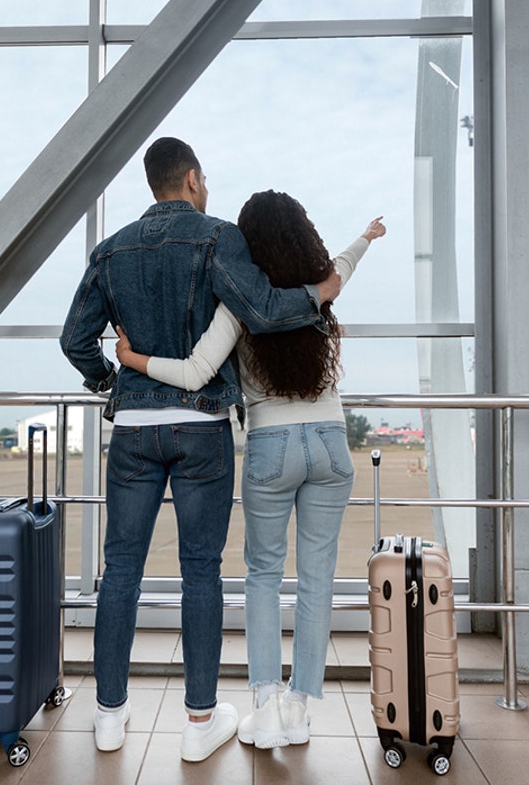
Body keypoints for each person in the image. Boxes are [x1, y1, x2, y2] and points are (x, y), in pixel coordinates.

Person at [59, 139, 342, 763]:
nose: (207, 185)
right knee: (201, 571)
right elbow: (262, 311)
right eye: (204, 177)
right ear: (190, 179)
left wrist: (110, 380)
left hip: (132, 427)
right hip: (201, 425)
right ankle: (199, 721)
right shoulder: (217, 238)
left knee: (121, 569)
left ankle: (109, 716)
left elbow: (74, 339)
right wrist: (321, 291)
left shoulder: (110, 250)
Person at [114, 190, 384, 750]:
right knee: (316, 581)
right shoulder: (319, 294)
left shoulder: (240, 305)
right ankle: (300, 711)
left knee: (263, 575)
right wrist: (366, 236)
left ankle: (264, 707)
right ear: (301, 235)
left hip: (271, 446)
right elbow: (343, 266)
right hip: (332, 445)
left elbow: (194, 372)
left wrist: (132, 360)